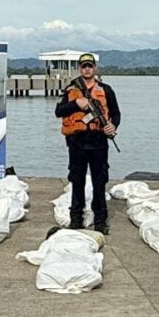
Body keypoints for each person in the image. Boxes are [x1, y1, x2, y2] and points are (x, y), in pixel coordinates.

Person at [54, 53, 120, 235]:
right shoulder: (70, 90)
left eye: (90, 66)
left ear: (95, 68)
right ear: (80, 69)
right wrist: (76, 103)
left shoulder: (106, 90)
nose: (87, 69)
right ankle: (76, 219)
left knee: (100, 182)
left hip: (99, 143)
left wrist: (113, 126)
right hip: (77, 143)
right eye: (84, 66)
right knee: (77, 181)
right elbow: (59, 111)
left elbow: (115, 113)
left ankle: (100, 220)